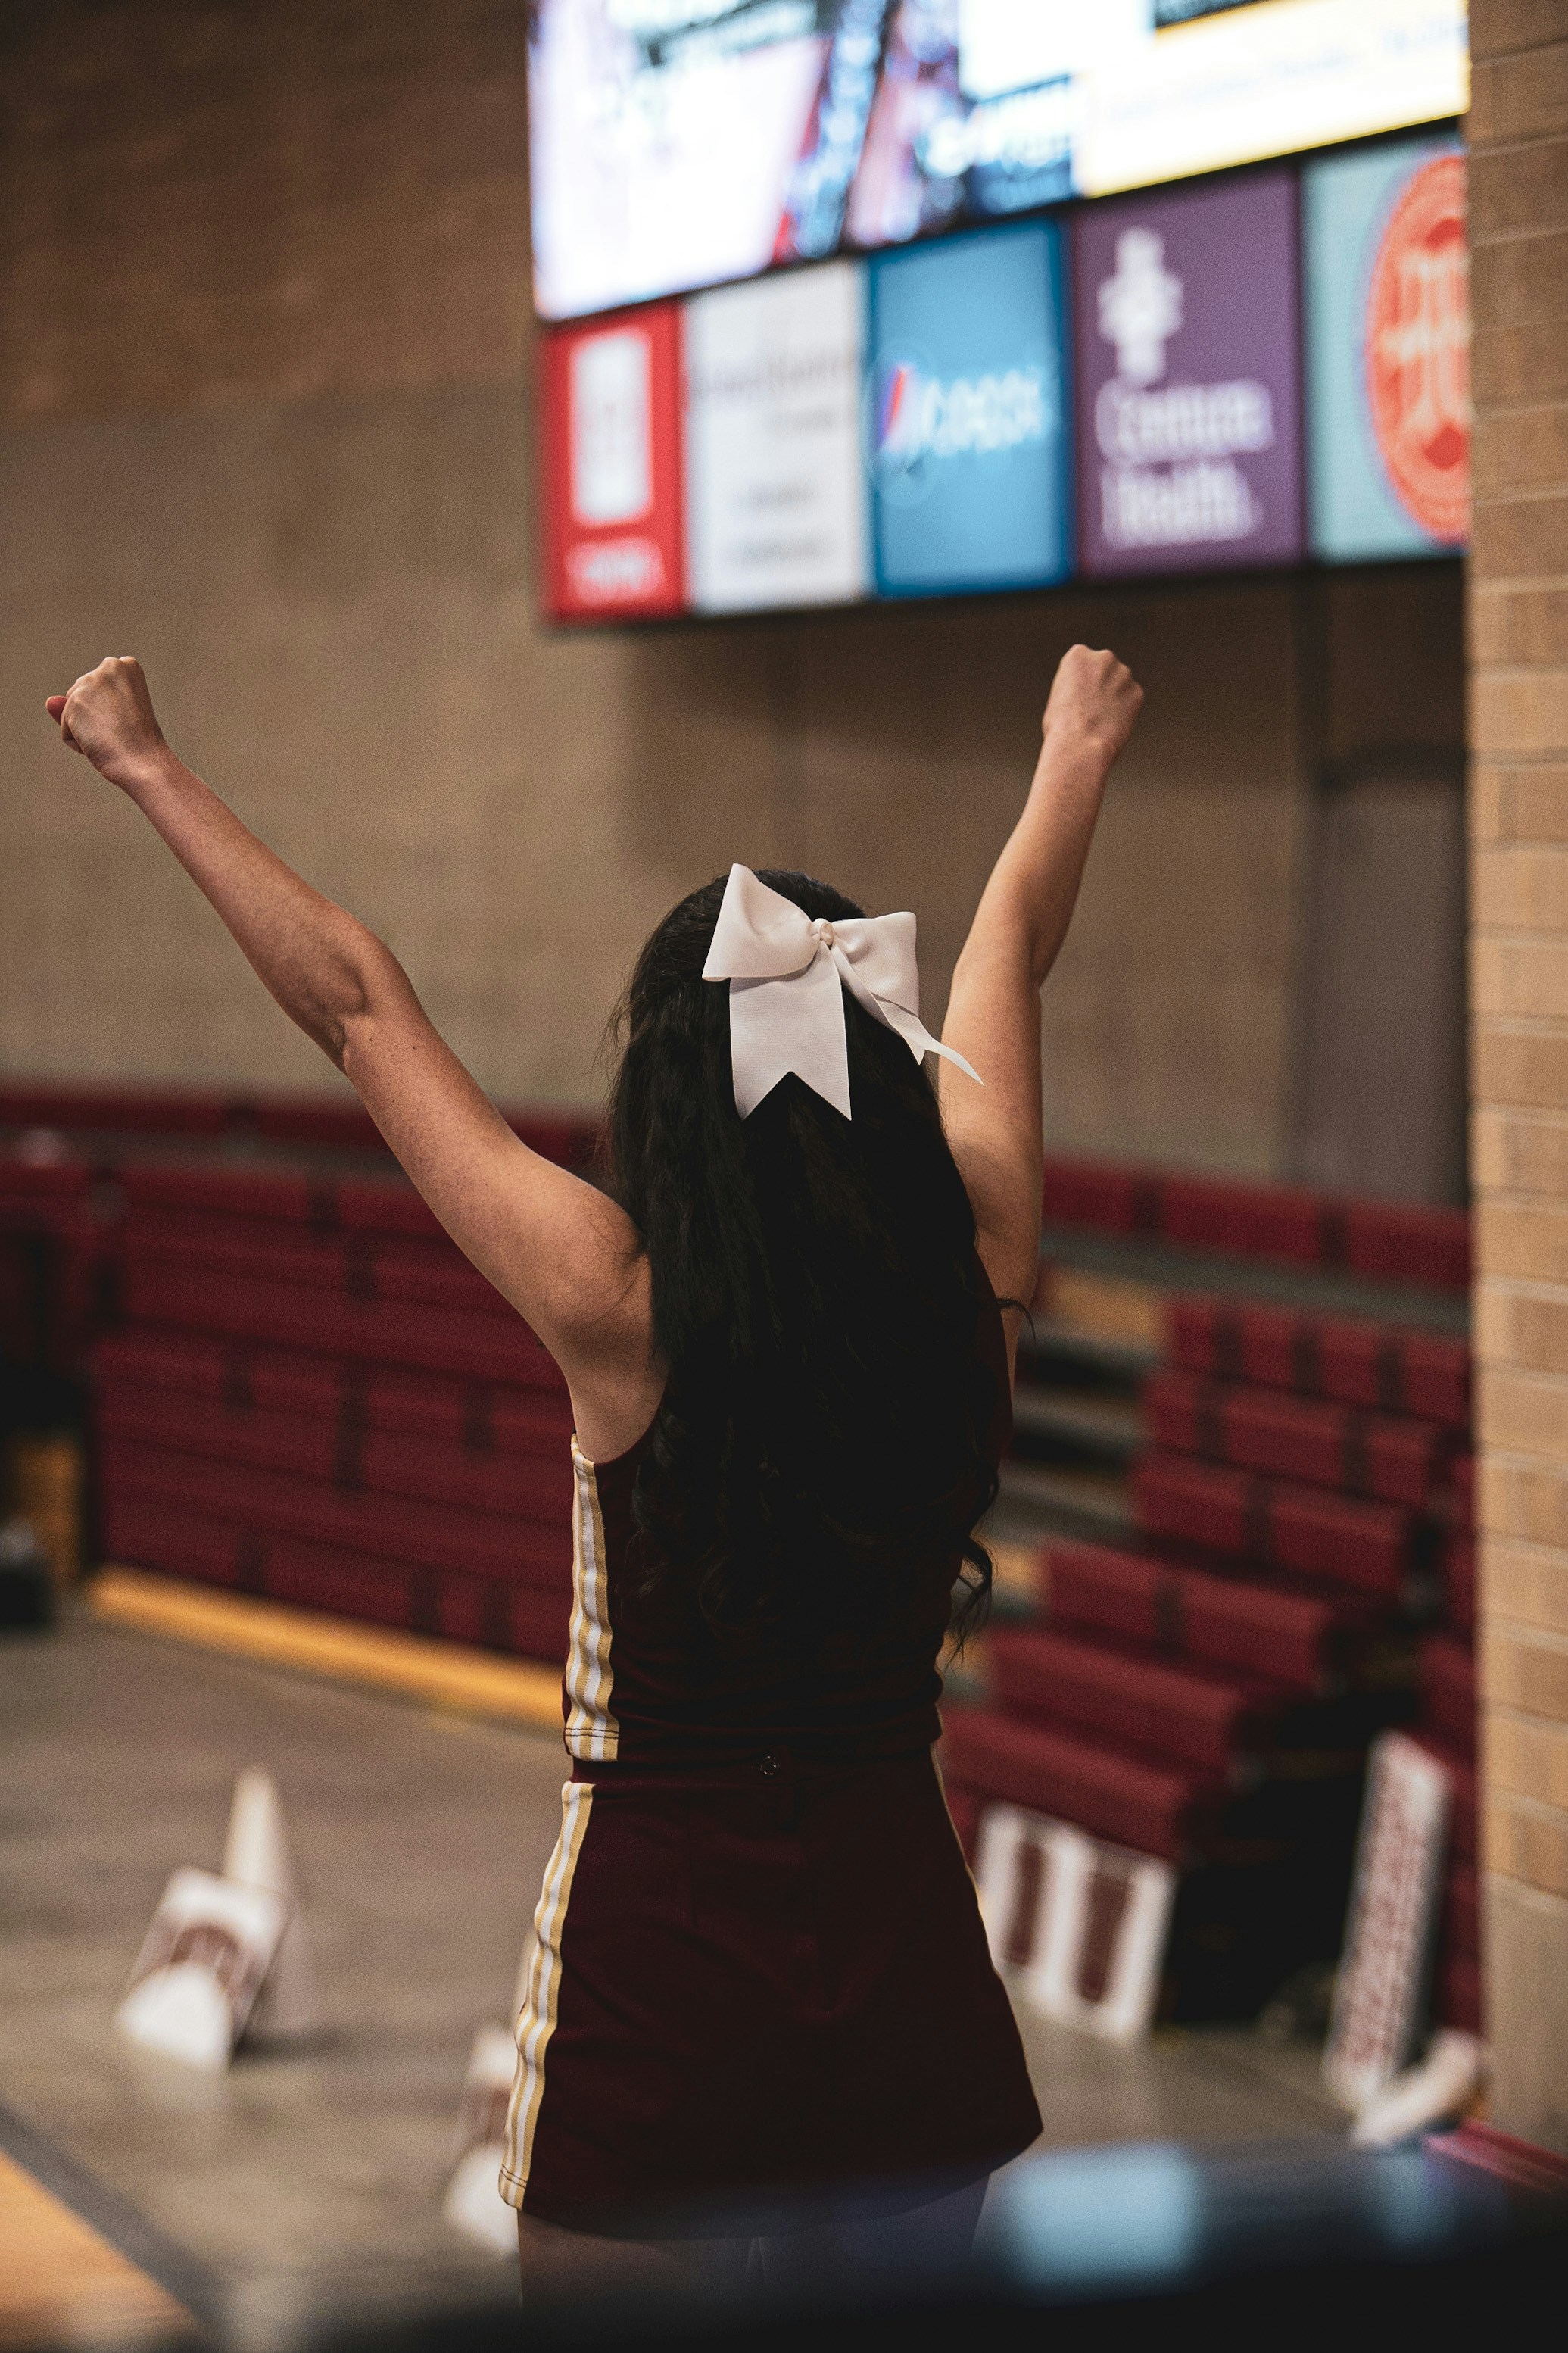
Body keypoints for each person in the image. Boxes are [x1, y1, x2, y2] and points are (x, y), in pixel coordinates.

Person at [45, 644, 1143, 2295]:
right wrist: (1070, 753)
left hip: (662, 1953)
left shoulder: (618, 1302)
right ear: (878, 1053)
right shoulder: (976, 1271)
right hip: (899, 1937)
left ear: (673, 1095)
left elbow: (351, 1003)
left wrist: (148, 766)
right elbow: (1014, 953)